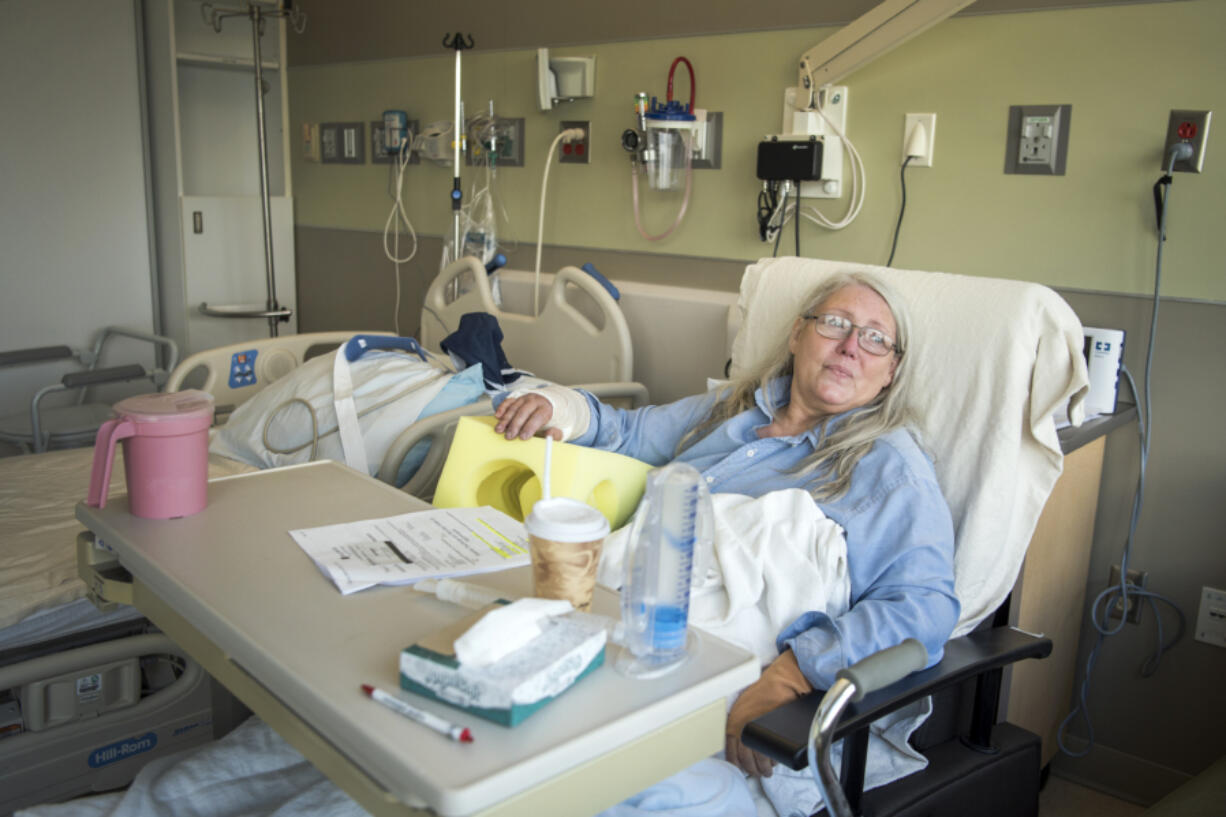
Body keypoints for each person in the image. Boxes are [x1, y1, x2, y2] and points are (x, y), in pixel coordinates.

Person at [494, 271, 959, 779]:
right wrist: (558, 406)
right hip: (623, 623)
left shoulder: (890, 466)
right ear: (797, 335)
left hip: (715, 670)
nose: (851, 346)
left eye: (875, 339)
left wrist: (796, 670)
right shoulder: (733, 409)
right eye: (835, 323)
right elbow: (627, 431)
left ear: (891, 370)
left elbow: (925, 607)